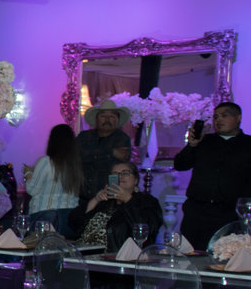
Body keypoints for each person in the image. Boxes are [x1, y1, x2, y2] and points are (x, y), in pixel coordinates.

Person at [174, 101, 251, 250]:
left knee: (222, 255)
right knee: (188, 254)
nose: (218, 120)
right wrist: (192, 146)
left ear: (238, 118)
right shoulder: (204, 142)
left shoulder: (248, 144)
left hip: (229, 213)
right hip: (196, 210)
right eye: (215, 117)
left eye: (224, 116)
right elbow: (180, 165)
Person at [67, 161, 163, 253]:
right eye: (115, 174)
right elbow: (75, 223)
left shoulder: (146, 201)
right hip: (84, 251)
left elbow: (148, 228)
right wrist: (95, 200)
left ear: (136, 180)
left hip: (115, 255)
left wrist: (128, 199)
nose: (120, 177)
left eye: (125, 173)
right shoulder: (106, 201)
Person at [24, 123, 82, 237]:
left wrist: (28, 173)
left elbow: (32, 189)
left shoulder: (46, 162)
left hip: (45, 217)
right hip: (69, 219)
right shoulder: (76, 165)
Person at [77, 98, 131, 198]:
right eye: (103, 116)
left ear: (117, 120)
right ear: (96, 119)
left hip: (108, 194)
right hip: (81, 195)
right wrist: (111, 152)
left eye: (112, 116)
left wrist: (92, 155)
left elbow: (115, 164)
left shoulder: (122, 138)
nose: (107, 119)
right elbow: (78, 156)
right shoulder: (84, 136)